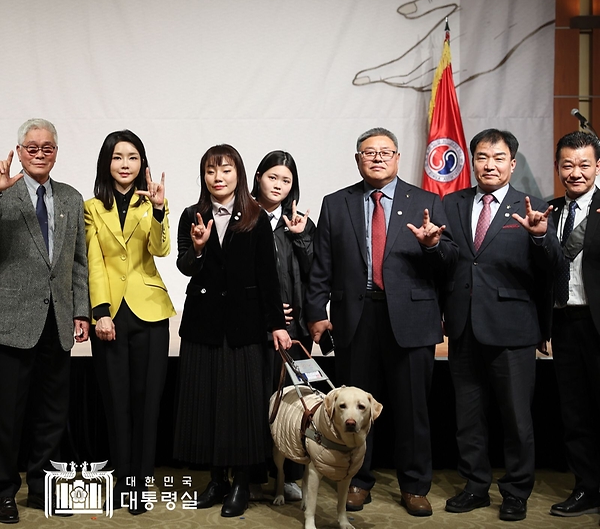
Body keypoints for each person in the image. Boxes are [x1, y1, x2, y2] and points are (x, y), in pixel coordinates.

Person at [304, 127, 457, 518]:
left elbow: (449, 262)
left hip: (411, 317)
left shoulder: (425, 200)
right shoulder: (336, 203)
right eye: (368, 153)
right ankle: (358, 480)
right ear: (358, 160)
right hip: (356, 318)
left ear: (398, 157)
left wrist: (431, 245)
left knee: (412, 409)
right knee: (352, 410)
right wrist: (317, 313)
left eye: (385, 152)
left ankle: (415, 485)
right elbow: (322, 265)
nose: (377, 158)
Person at [0, 118, 90, 525]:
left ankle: (43, 486)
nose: (39, 153)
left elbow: (78, 262)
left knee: (52, 412)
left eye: (47, 147)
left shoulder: (70, 197)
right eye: (31, 147)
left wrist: (80, 310)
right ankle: (4, 492)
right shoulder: (4, 196)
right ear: (20, 150)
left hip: (59, 320)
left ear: (56, 152)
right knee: (7, 415)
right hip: (12, 321)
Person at [441, 128, 560, 522]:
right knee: (468, 417)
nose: (488, 164)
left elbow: (553, 270)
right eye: (481, 157)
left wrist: (541, 237)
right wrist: (429, 246)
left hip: (513, 329)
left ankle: (515, 491)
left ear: (512, 163)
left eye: (497, 157)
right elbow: (450, 260)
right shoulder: (452, 203)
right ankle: (475, 486)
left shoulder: (534, 207)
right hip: (462, 328)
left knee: (517, 418)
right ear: (471, 161)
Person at [173, 144, 291, 518]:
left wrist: (277, 324)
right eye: (210, 171)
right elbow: (185, 266)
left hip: (245, 324)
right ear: (203, 176)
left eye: (225, 170)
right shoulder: (192, 214)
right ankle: (216, 480)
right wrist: (198, 249)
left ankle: (241, 481)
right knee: (206, 402)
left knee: (241, 405)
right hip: (204, 323)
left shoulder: (255, 216)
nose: (218, 178)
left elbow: (268, 277)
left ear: (239, 175)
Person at [84, 130, 175, 514]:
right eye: (118, 157)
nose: (125, 164)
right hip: (111, 316)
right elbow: (94, 260)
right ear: (107, 163)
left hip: (150, 312)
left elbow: (161, 248)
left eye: (133, 157)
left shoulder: (154, 202)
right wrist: (100, 312)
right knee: (115, 402)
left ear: (142, 164)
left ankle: (141, 482)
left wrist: (157, 209)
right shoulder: (91, 207)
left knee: (147, 403)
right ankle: (123, 480)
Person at [250, 150, 315, 503]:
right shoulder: (244, 217)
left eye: (286, 180)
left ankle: (289, 475)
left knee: (294, 403)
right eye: (273, 177)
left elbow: (315, 272)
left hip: (297, 332)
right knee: (260, 400)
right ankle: (257, 470)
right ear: (259, 177)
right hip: (258, 329)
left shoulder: (299, 221)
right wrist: (272, 312)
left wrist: (303, 237)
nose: (278, 185)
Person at [547, 131, 600, 518]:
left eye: (584, 164)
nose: (575, 172)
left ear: (597, 166)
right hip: (565, 323)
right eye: (568, 164)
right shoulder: (548, 212)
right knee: (575, 413)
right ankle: (587, 487)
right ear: (558, 168)